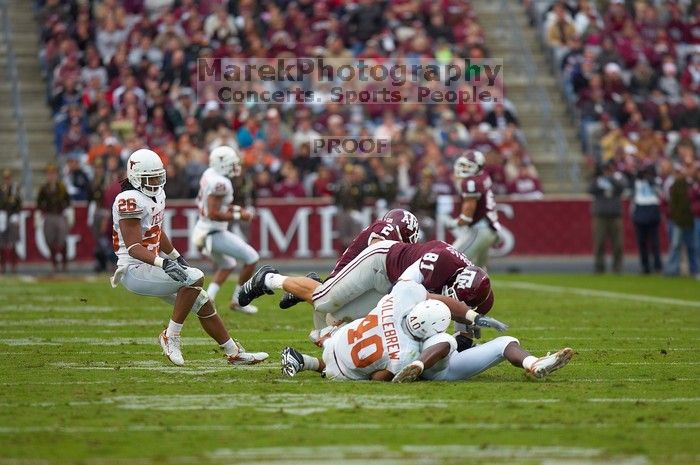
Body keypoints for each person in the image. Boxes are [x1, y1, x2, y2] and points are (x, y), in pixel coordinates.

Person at [110, 148, 268, 366]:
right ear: (136, 177)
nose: (156, 181)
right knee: (195, 278)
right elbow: (134, 248)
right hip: (134, 270)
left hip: (152, 265)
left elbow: (156, 230)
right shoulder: (128, 199)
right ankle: (170, 336)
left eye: (158, 176)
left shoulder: (157, 194)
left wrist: (175, 256)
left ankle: (234, 353)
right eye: (151, 177)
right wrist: (163, 262)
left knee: (203, 301)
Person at [238, 240, 505, 350]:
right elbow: (404, 292)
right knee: (324, 299)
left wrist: (461, 337)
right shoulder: (441, 261)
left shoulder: (478, 293)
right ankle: (270, 278)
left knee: (335, 316)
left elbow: (464, 333)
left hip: (394, 285)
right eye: (453, 296)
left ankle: (310, 293)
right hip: (380, 263)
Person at [281, 280, 455, 382]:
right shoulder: (407, 353)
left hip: (341, 337)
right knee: (360, 369)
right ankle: (308, 360)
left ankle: (309, 354)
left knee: (360, 336)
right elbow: (378, 378)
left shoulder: (396, 304)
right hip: (342, 370)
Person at [278, 208, 420, 317]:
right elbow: (376, 253)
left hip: (356, 277)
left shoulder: (387, 230)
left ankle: (308, 287)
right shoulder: (388, 229)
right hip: (347, 277)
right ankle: (271, 279)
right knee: (329, 306)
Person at [191, 146, 260, 314]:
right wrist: (239, 216)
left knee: (228, 264)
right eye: (232, 164)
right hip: (212, 232)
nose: (236, 167)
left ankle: (208, 298)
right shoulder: (221, 183)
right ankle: (238, 299)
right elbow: (214, 213)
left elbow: (219, 206)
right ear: (222, 165)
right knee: (252, 258)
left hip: (202, 229)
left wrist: (238, 211)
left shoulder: (210, 174)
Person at [446, 150, 502, 268]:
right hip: (489, 228)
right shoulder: (483, 176)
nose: (464, 169)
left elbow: (467, 216)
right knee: (479, 271)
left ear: (478, 167)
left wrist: (454, 223)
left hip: (479, 230)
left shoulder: (471, 183)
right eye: (463, 165)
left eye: (469, 166)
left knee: (452, 261)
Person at [588, 161, 626, 273]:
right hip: (600, 215)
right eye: (605, 170)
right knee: (599, 242)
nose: (607, 172)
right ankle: (599, 266)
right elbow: (590, 190)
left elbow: (622, 187)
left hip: (615, 215)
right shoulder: (597, 180)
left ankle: (617, 266)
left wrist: (612, 179)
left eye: (609, 169)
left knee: (617, 243)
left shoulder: (617, 178)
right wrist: (599, 179)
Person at [36, 164, 72, 272]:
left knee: (62, 240)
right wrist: (39, 213)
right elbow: (39, 203)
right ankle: (54, 263)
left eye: (53, 174)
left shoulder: (61, 187)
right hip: (49, 215)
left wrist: (69, 212)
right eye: (49, 174)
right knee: (49, 240)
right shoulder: (43, 188)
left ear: (56, 175)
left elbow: (68, 201)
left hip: (60, 215)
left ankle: (64, 263)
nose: (51, 176)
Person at [630, 164, 662, 274]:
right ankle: (645, 266)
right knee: (642, 242)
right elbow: (632, 193)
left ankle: (657, 265)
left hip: (652, 211)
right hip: (640, 212)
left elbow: (659, 192)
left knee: (655, 242)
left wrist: (650, 180)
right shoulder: (638, 182)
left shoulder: (657, 181)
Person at [0, 170, 22, 273]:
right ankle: (2, 265)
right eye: (5, 178)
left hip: (12, 216)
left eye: (8, 178)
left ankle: (14, 265)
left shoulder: (15, 189)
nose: (7, 180)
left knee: (13, 242)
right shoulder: (1, 190)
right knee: (2, 243)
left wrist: (17, 215)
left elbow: (19, 203)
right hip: (2, 217)